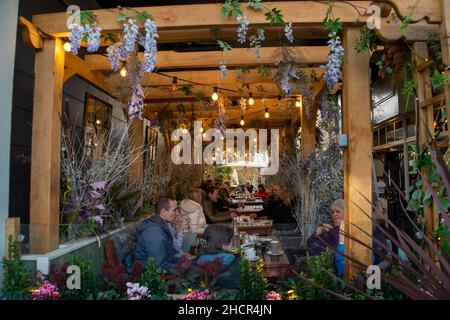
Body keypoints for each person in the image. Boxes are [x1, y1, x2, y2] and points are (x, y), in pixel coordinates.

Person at [134, 197, 180, 272]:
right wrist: (180, 267)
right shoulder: (154, 233)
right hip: (149, 276)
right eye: (174, 210)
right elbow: (157, 266)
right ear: (163, 212)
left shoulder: (160, 226)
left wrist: (181, 261)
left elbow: (167, 256)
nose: (177, 213)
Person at [193, 225, 240, 289]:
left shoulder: (198, 261)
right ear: (224, 245)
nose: (232, 243)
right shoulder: (235, 263)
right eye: (230, 240)